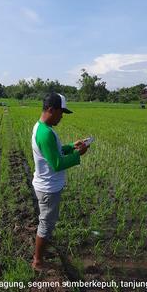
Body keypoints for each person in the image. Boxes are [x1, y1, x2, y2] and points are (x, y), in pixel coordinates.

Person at [31, 92, 89, 271]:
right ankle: (38, 262)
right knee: (46, 225)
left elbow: (53, 152)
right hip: (48, 188)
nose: (62, 116)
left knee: (46, 223)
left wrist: (71, 146)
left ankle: (40, 254)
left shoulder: (42, 128)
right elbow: (56, 163)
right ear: (50, 109)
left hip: (45, 184)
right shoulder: (46, 133)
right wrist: (78, 154)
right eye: (61, 112)